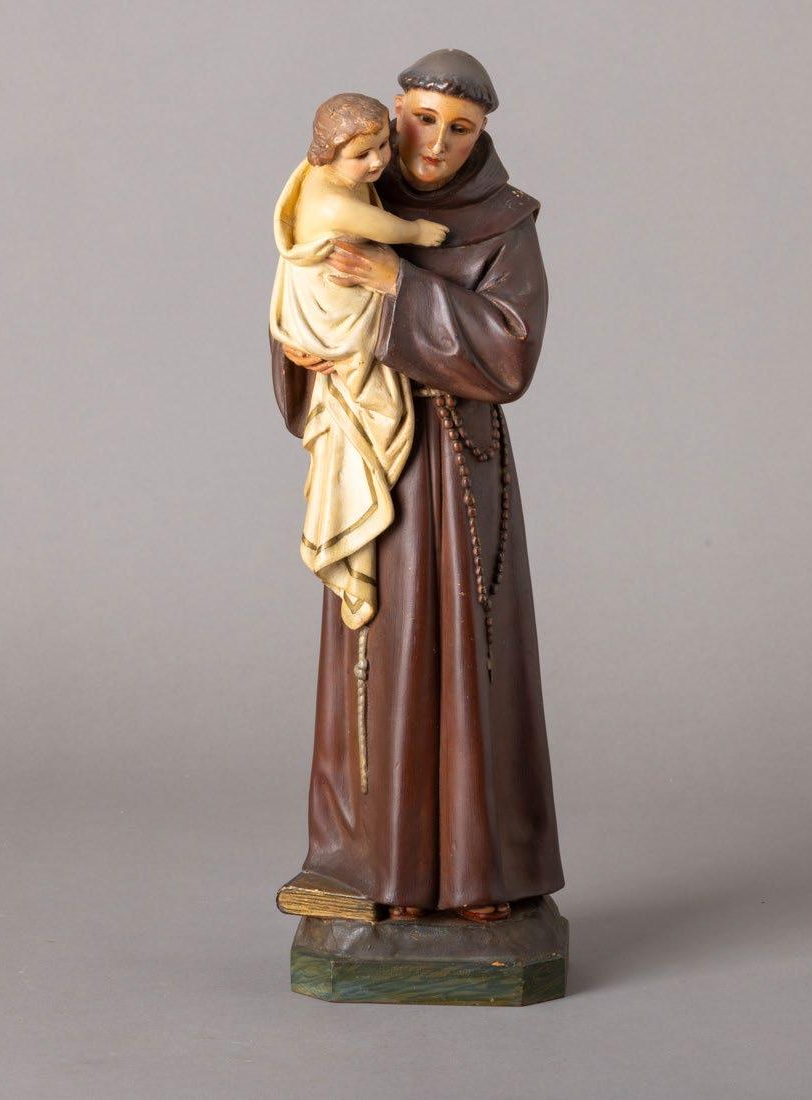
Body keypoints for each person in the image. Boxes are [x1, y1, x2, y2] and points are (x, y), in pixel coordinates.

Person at [272, 49, 563, 922]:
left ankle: (477, 878)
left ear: (483, 136)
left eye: (460, 129)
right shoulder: (356, 192)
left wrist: (399, 282)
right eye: (422, 120)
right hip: (374, 461)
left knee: (468, 656)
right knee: (384, 652)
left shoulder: (504, 223)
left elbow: (510, 350)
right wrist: (301, 348)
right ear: (393, 113)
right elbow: (302, 278)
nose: (435, 143)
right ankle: (379, 871)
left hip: (457, 464)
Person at [270, 93, 447, 633]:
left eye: (383, 147)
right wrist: (417, 233)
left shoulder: (324, 178)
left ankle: (357, 561)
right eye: (362, 155)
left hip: (342, 312)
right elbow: (388, 230)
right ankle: (353, 558)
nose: (377, 163)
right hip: (337, 320)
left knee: (359, 427)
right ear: (326, 154)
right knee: (368, 410)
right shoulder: (335, 203)